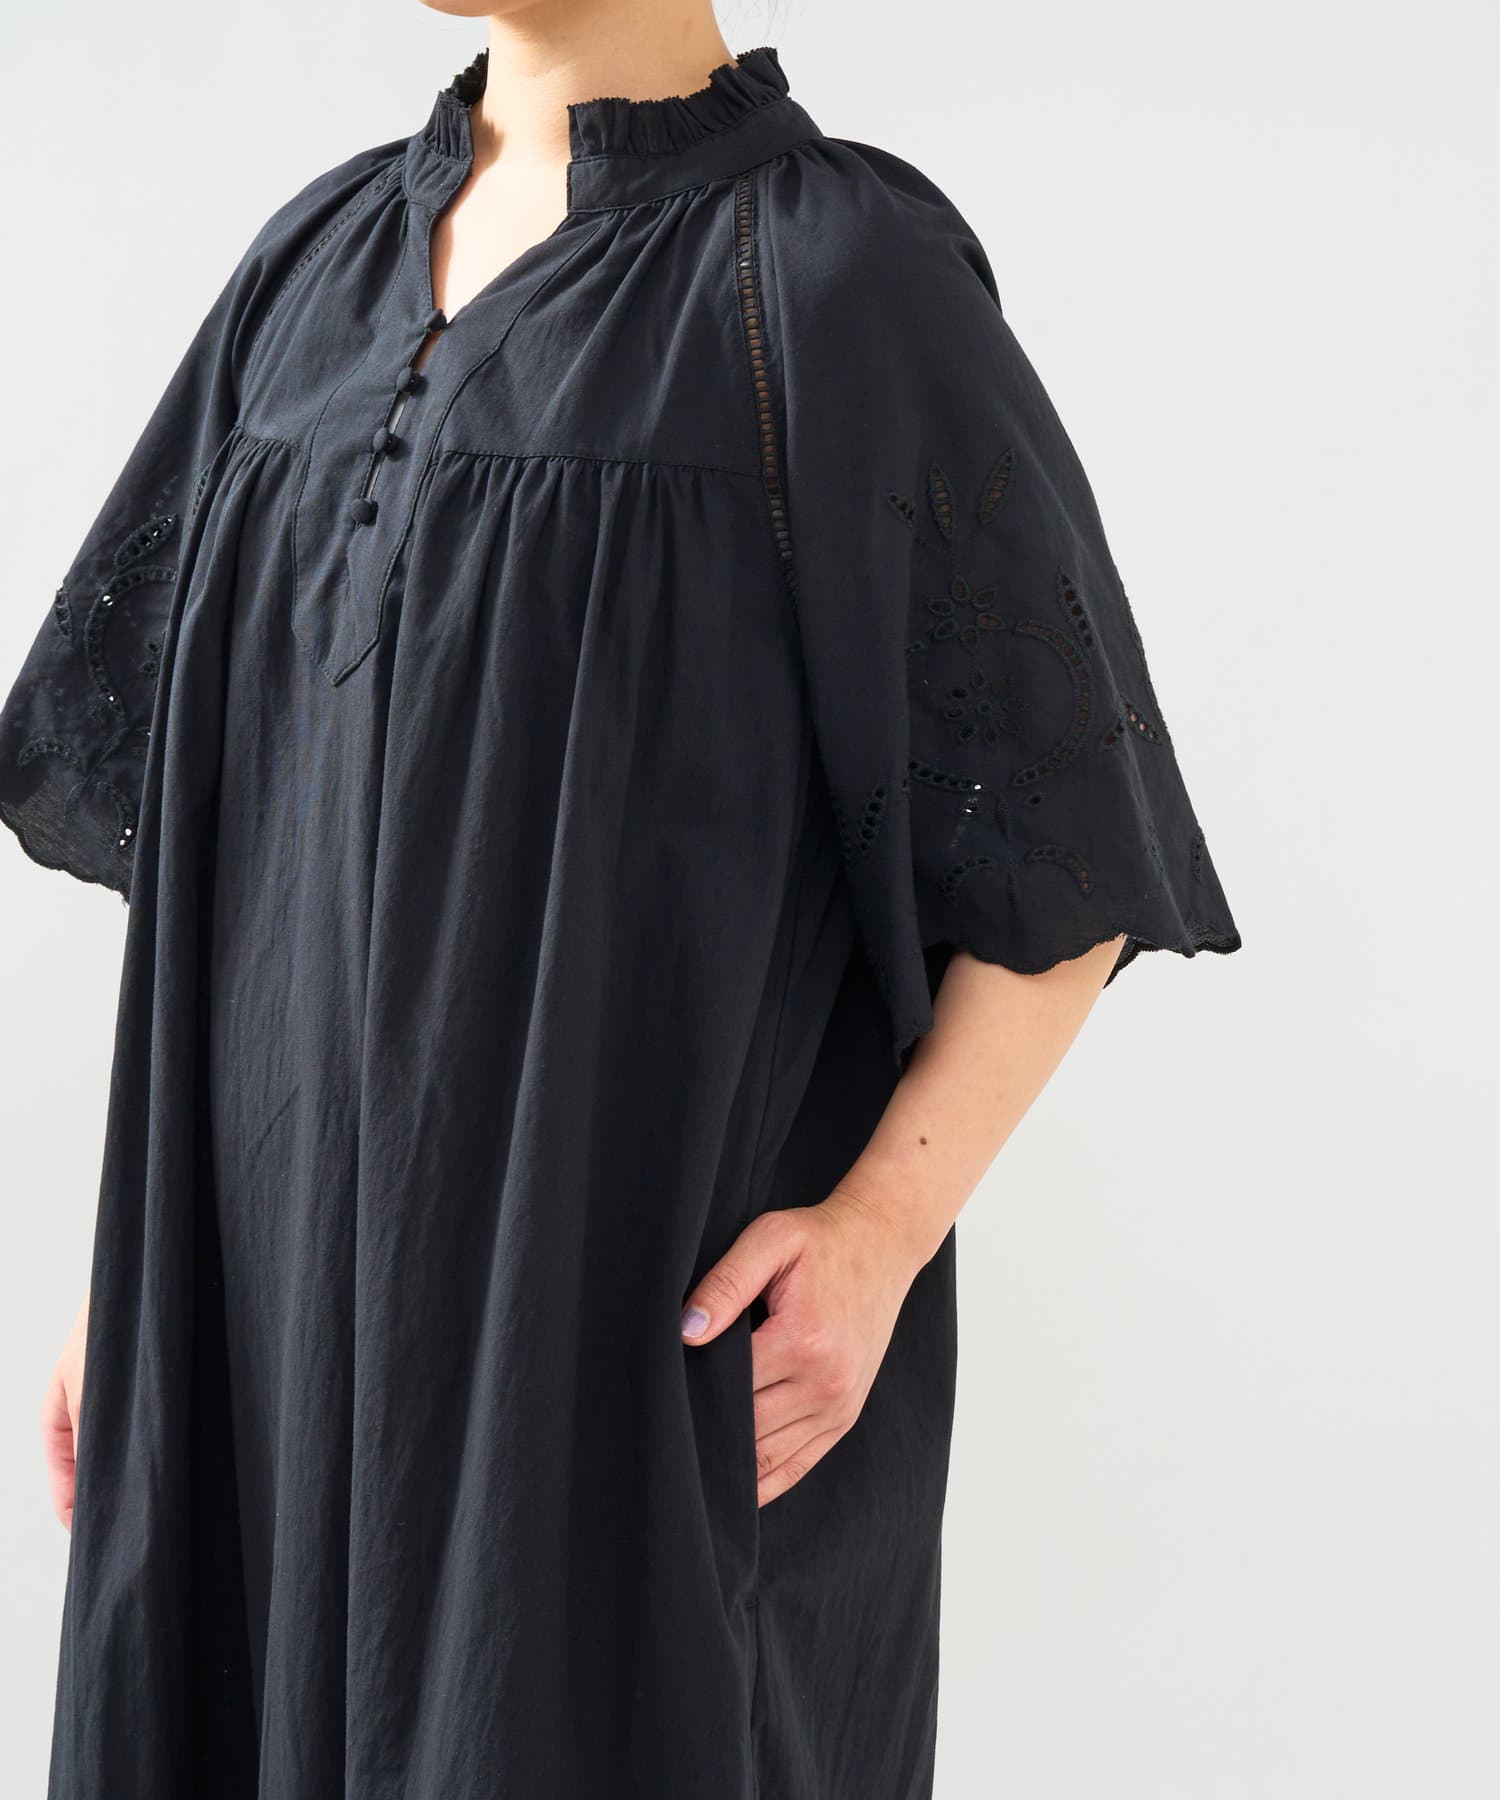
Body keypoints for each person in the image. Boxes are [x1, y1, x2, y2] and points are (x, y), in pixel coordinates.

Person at [1, 9, 1243, 1797]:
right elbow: (233, 847)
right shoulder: (308, 272)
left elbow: (1070, 840)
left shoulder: (826, 282)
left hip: (607, 1347)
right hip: (259, 1337)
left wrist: (882, 1232)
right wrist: (145, 1266)